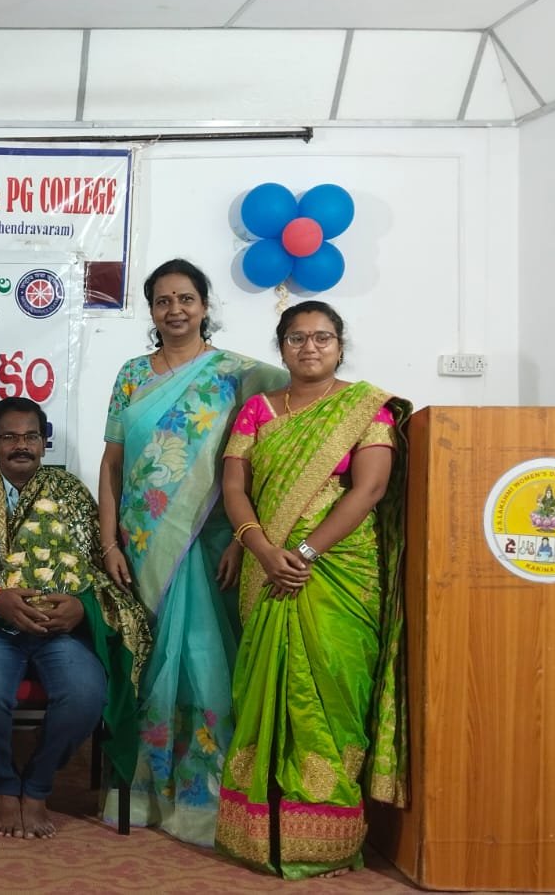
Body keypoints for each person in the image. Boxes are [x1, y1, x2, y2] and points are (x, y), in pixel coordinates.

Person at [215, 300, 409, 879]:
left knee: (335, 691)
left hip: (339, 571)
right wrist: (260, 549)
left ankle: (327, 840)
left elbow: (369, 490)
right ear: (281, 347)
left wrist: (303, 553)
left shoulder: (366, 408)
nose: (310, 347)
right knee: (264, 697)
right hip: (266, 566)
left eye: (322, 337)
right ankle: (261, 836)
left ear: (340, 346)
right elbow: (234, 489)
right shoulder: (257, 411)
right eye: (297, 338)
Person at [97, 258, 287, 844]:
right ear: (151, 311)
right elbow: (112, 464)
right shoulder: (133, 374)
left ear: (205, 306)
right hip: (142, 544)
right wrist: (108, 541)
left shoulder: (240, 375)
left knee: (205, 661)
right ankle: (147, 795)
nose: (175, 310)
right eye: (163, 301)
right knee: (150, 663)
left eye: (186, 299)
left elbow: (262, 460)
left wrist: (245, 540)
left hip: (208, 542)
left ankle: (206, 799)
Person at [0, 397, 150, 839]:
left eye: (31, 436)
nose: (22, 445)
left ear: (43, 442)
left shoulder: (71, 493)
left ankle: (36, 785)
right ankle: (4, 785)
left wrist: (82, 606)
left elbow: (99, 566)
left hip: (60, 631)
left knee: (85, 694)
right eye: (10, 437)